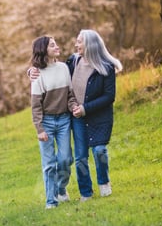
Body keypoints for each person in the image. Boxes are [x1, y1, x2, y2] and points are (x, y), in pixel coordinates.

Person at [29, 29, 122, 202]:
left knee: (99, 150)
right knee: (80, 157)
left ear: (90, 44)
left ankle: (104, 183)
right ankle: (86, 193)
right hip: (76, 116)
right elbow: (50, 69)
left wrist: (85, 108)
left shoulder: (106, 68)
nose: (75, 44)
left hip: (98, 116)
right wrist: (31, 71)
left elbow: (110, 96)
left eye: (79, 41)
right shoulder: (73, 61)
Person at [30, 36, 79, 209]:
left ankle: (61, 188)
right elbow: (35, 105)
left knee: (66, 159)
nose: (57, 47)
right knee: (49, 164)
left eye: (56, 44)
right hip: (47, 123)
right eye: (52, 45)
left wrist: (73, 106)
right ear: (44, 50)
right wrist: (39, 129)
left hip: (65, 120)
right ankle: (51, 201)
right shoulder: (37, 74)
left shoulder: (64, 68)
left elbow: (70, 95)